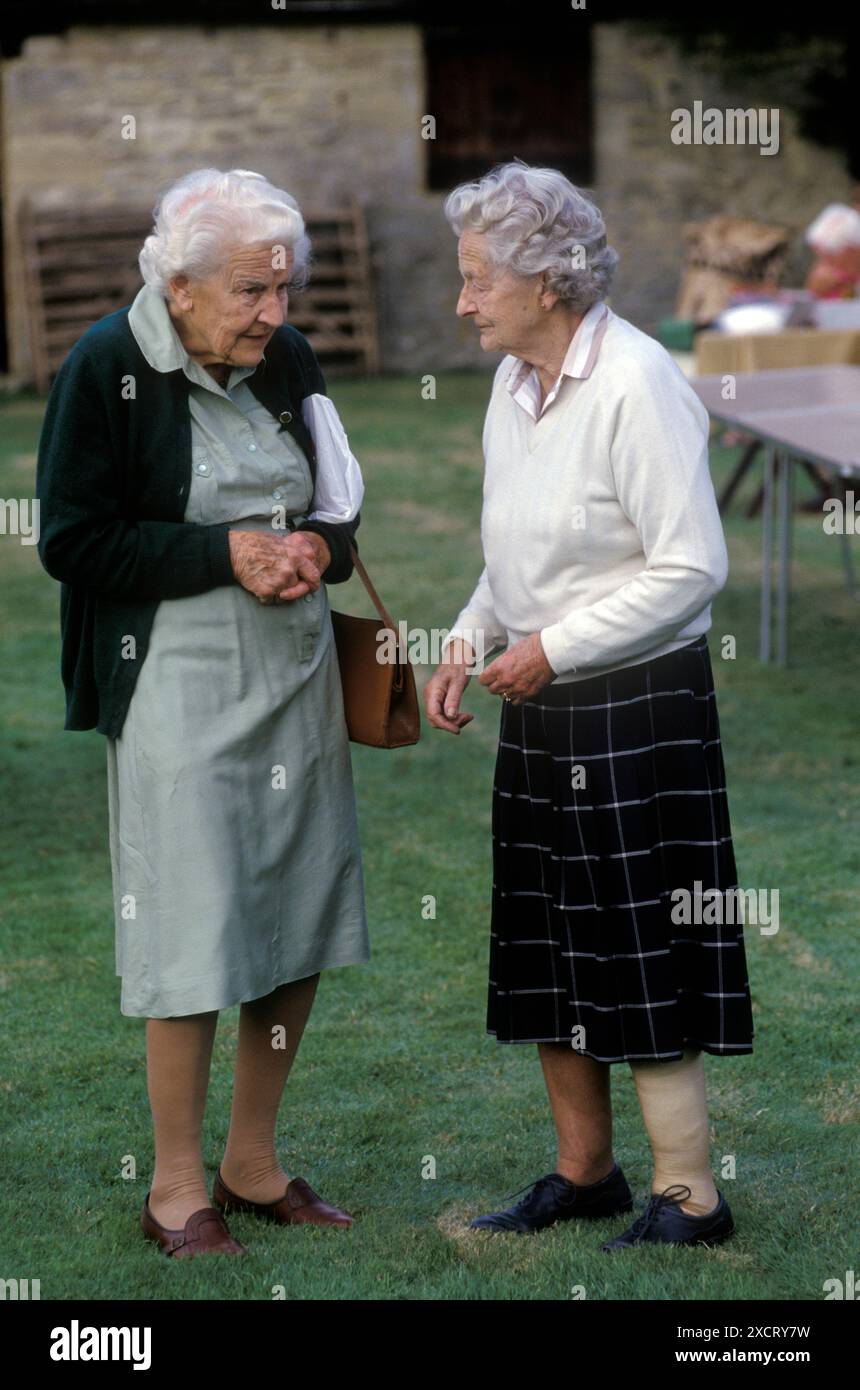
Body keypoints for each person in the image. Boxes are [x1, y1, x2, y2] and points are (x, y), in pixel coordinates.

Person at [36, 168, 371, 1260]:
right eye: (250, 292)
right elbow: (73, 541)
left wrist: (319, 546)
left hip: (292, 673)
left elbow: (338, 501)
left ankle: (252, 1160)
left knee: (292, 917)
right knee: (193, 919)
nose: (274, 314)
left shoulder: (288, 360)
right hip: (174, 674)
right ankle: (175, 1186)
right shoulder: (105, 365)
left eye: (283, 288)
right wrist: (220, 550)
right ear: (176, 285)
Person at [424, 160, 755, 1251]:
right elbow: (513, 552)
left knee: (639, 938)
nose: (462, 300)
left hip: (634, 704)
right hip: (545, 698)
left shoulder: (636, 380)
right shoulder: (511, 380)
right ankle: (588, 1173)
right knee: (549, 944)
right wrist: (470, 633)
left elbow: (690, 566)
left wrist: (551, 649)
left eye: (477, 279)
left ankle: (689, 1194)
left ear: (547, 283)